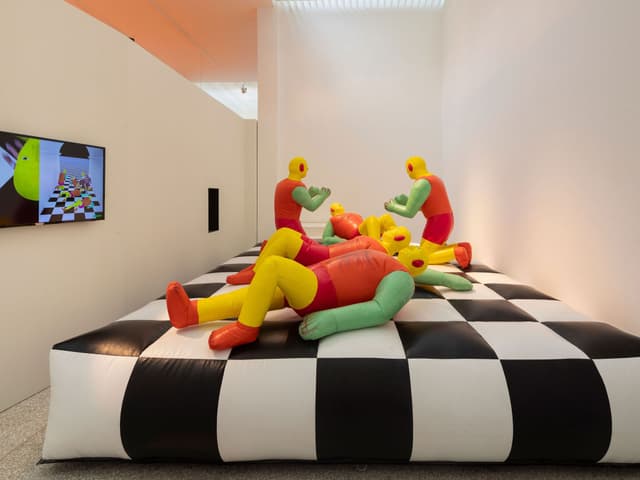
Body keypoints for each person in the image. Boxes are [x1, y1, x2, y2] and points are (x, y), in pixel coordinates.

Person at [166, 246, 472, 350]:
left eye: (415, 258)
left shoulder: (402, 279)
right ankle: (192, 312)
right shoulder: (393, 263)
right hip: (314, 279)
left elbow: (381, 310)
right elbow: (432, 276)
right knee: (258, 292)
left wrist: (330, 320)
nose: (407, 253)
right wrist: (450, 280)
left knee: (273, 266)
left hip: (320, 291)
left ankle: (247, 328)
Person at [226, 225, 412, 285]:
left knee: (284, 237)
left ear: (398, 238)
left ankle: (256, 273)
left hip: (323, 258)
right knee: (285, 232)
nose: (388, 230)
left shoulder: (380, 253)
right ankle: (256, 267)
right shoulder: (376, 243)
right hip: (322, 250)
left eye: (393, 230)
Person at [384, 156, 471, 268]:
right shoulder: (434, 179)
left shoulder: (421, 184)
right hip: (446, 219)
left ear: (410, 168)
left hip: (437, 222)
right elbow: (424, 205)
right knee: (432, 248)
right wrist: (406, 200)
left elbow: (409, 213)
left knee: (424, 256)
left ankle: (456, 252)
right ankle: (462, 246)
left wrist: (392, 206)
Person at [274, 157, 331, 235]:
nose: (307, 169)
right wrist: (323, 195)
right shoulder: (297, 186)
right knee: (306, 242)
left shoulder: (281, 184)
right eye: (306, 167)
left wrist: (309, 194)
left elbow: (295, 201)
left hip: (281, 224)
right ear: (301, 168)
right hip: (291, 225)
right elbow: (312, 206)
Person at [320, 202, 397, 246]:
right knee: (371, 219)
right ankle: (375, 247)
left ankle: (396, 243)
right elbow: (326, 239)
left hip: (365, 230)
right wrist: (345, 242)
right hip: (357, 234)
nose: (339, 207)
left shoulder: (353, 214)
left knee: (386, 218)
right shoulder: (332, 220)